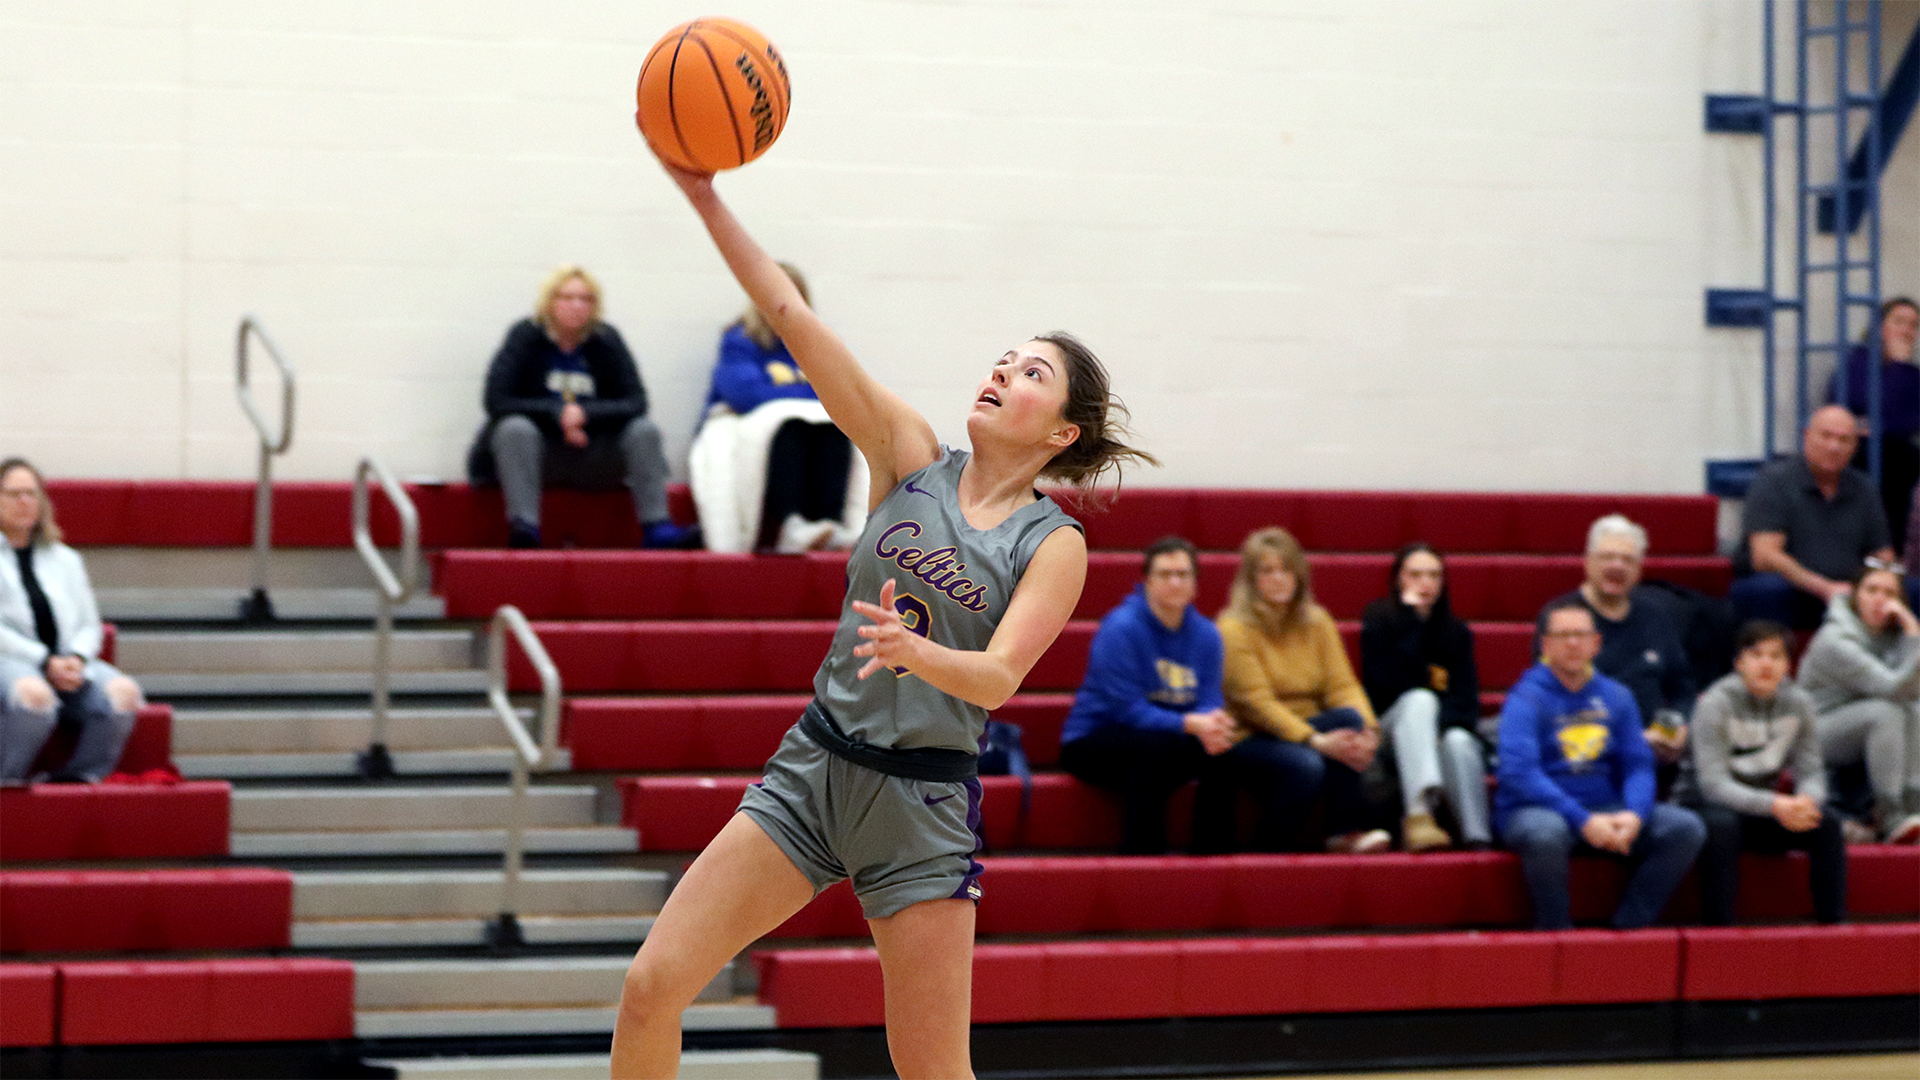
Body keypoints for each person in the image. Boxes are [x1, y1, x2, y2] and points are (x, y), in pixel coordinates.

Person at [612, 158, 1150, 1080]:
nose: (1001, 371)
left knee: (932, 1070)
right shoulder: (908, 457)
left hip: (921, 803)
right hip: (815, 767)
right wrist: (704, 196)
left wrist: (920, 652)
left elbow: (999, 678)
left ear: (1060, 433)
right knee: (652, 986)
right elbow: (796, 319)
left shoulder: (1052, 544)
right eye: (1004, 358)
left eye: (1030, 372)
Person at [1495, 601, 1706, 930]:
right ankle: (1555, 932)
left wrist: (1634, 814)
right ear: (1545, 645)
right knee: (1544, 834)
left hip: (1606, 807)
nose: (1573, 644)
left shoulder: (1617, 696)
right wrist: (1582, 819)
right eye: (1563, 636)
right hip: (1538, 810)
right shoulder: (1524, 699)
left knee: (1685, 828)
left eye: (1580, 635)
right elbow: (1519, 773)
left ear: (1596, 643)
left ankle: (1628, 928)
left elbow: (1638, 765)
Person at [464, 265, 696, 550]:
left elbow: (637, 402)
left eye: (586, 299)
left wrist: (586, 415)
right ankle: (524, 527)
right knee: (514, 428)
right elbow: (496, 400)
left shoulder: (606, 340)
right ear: (550, 301)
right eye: (567, 297)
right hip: (537, 453)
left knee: (644, 430)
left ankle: (657, 527)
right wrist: (557, 414)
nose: (577, 306)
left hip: (589, 450)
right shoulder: (525, 336)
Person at [1059, 536, 1237, 855]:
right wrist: (1190, 724)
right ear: (1147, 580)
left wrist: (1213, 723)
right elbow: (1126, 709)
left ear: (1195, 583)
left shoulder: (1208, 634)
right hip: (1094, 738)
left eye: (1183, 574)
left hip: (1169, 735)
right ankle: (1143, 863)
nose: (1174, 582)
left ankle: (1212, 861)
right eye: (1165, 574)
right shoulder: (1121, 628)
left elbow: (1210, 697)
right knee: (1151, 753)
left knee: (1224, 752)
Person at [1219, 527, 1392, 854]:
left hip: (1306, 728)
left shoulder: (1317, 621)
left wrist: (1369, 729)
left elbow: (1343, 685)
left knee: (1349, 719)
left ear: (1299, 575)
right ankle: (1267, 850)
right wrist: (1316, 741)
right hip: (1250, 737)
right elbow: (1257, 704)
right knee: (1306, 764)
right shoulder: (1233, 628)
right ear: (1250, 579)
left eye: (1286, 569)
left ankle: (1342, 832)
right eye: (1267, 571)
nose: (1279, 578)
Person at [687, 262, 868, 553]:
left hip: (811, 426)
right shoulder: (739, 339)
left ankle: (830, 524)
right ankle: (790, 523)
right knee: (790, 424)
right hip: (762, 423)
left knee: (835, 428)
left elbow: (839, 393)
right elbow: (745, 394)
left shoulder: (817, 344)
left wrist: (789, 394)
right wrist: (805, 394)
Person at [1677, 619, 1846, 925]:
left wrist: (1807, 801)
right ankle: (1719, 928)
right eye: (1756, 655)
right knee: (1723, 825)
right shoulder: (1715, 704)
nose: (1766, 664)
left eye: (1776, 656)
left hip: (1761, 808)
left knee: (1827, 822)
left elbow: (1812, 770)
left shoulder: (1800, 703)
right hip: (1701, 804)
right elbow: (1714, 785)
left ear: (1788, 666)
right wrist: (1776, 805)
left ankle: (1832, 926)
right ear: (1739, 662)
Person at [0, 459, 145, 783]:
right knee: (34, 695)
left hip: (66, 661)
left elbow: (89, 625)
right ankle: (7, 782)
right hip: (10, 660)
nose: (25, 502)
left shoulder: (65, 559)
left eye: (31, 493)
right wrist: (44, 660)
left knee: (124, 693)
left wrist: (76, 659)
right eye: (13, 494)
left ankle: (78, 779)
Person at [1536, 515, 1696, 768]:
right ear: (1587, 562)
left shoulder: (1657, 618)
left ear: (1639, 568)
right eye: (1607, 557)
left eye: (1627, 559)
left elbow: (1682, 689)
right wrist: (1633, 740)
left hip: (1652, 758)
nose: (1617, 566)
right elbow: (1553, 700)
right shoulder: (1561, 619)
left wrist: (1677, 727)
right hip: (1584, 757)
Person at [1359, 543, 1487, 851]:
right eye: (1415, 574)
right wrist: (1411, 622)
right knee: (1420, 699)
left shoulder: (1455, 632)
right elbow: (1383, 686)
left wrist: (1440, 730)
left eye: (1433, 575)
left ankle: (1477, 837)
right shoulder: (1379, 620)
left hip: (1436, 733)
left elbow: (1466, 699)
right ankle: (1419, 815)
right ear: (1398, 580)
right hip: (1389, 728)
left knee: (1458, 740)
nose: (1425, 583)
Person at [1732, 405, 1898, 630]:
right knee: (1766, 590)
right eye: (1826, 436)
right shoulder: (1773, 481)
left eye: (1844, 440)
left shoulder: (1864, 488)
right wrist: (1825, 588)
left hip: (1850, 590)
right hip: (1794, 587)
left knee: (1911, 591)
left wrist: (1874, 587)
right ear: (1806, 436)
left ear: (1855, 447)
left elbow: (1882, 554)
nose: (1834, 446)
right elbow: (1765, 556)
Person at [1796, 561, 1920, 843]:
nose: (1880, 599)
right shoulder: (1835, 639)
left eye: (1890, 593)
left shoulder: (1894, 636)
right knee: (1885, 711)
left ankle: (1915, 806)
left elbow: (1913, 693)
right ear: (1855, 595)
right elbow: (1894, 687)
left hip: (1857, 724)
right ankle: (1891, 815)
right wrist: (1914, 631)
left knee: (1915, 709)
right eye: (1871, 590)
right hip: (1813, 733)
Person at [1825, 297, 1919, 551]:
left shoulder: (1912, 373)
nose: (1907, 331)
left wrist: (1900, 368)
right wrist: (1898, 367)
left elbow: (1905, 422)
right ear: (1879, 327)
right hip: (1861, 459)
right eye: (1899, 322)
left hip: (1899, 462)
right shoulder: (1856, 363)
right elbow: (1860, 409)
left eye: (1913, 325)